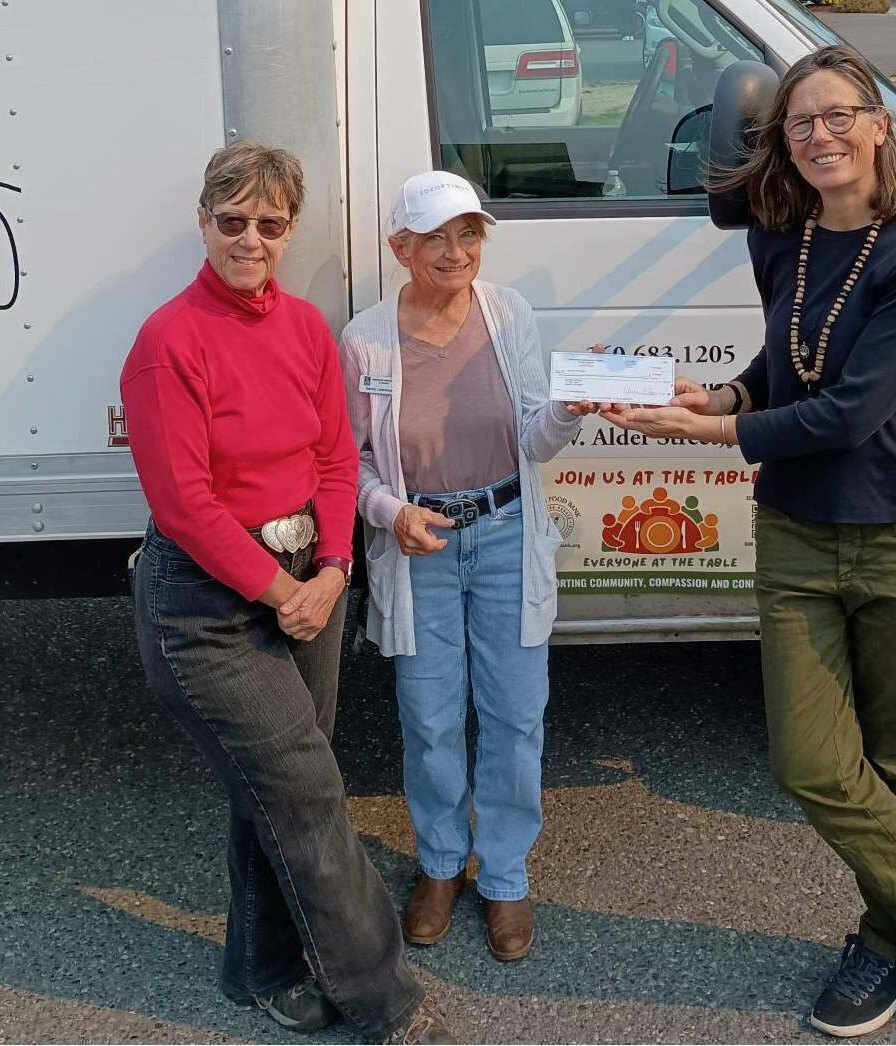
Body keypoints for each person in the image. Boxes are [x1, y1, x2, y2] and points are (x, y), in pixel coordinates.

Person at [600, 46, 896, 1045]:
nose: (821, 135)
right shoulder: (781, 240)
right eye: (800, 123)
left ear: (878, 127)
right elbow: (782, 365)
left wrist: (700, 435)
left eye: (839, 116)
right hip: (796, 534)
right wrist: (721, 395)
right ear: (781, 141)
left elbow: (850, 413)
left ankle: (894, 934)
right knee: (810, 760)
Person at [121, 141, 454, 1045]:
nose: (250, 238)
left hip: (312, 582)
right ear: (204, 222)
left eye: (269, 224)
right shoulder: (168, 342)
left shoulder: (307, 328)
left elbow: (335, 458)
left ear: (289, 230)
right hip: (207, 609)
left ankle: (256, 967)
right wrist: (281, 589)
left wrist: (335, 571)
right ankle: (382, 1001)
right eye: (232, 220)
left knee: (267, 789)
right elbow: (184, 504)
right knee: (305, 791)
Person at [340, 171, 595, 963]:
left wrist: (568, 411)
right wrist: (392, 514)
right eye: (436, 238)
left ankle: (507, 876)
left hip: (506, 531)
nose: (456, 252)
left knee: (517, 715)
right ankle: (443, 865)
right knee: (430, 716)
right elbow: (347, 464)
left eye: (470, 234)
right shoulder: (366, 338)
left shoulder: (507, 312)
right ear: (400, 248)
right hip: (422, 544)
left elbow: (536, 435)